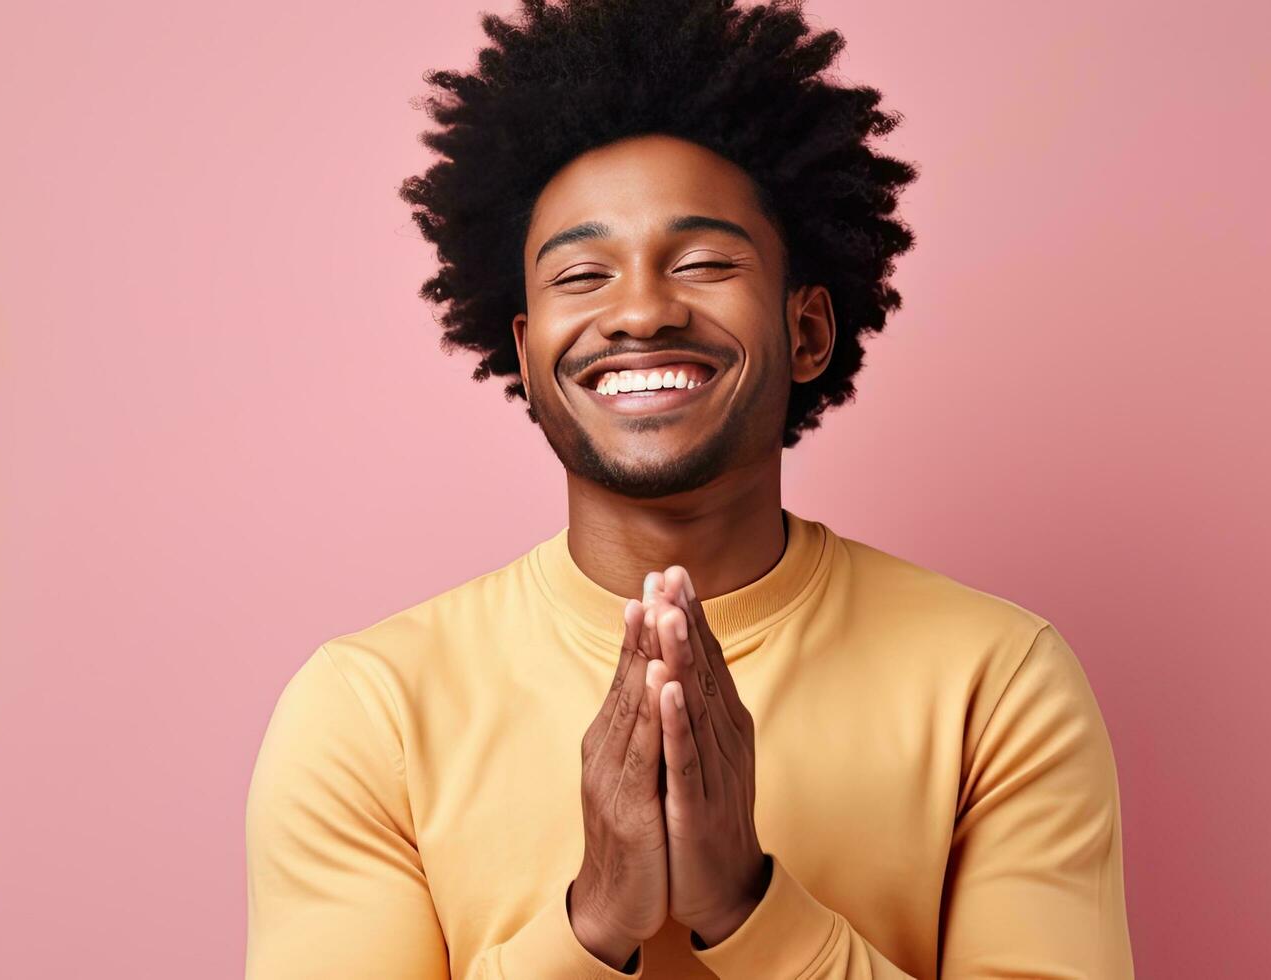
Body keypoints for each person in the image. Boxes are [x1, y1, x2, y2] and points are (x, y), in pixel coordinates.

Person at [242, 0, 1135, 977]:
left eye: (703, 262)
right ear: (527, 353)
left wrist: (744, 904)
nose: (639, 309)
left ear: (805, 332)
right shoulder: (366, 710)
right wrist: (592, 918)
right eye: (581, 274)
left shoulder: (995, 682)